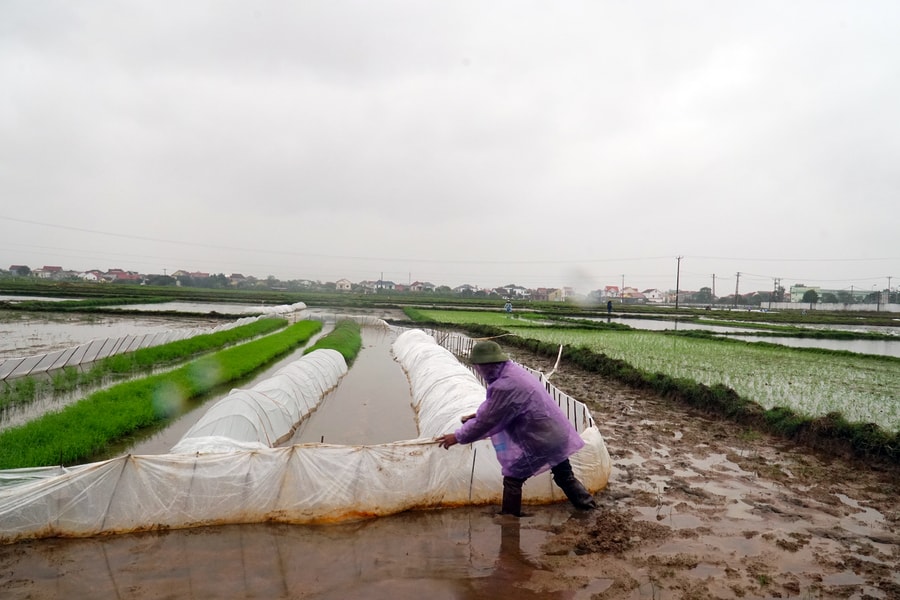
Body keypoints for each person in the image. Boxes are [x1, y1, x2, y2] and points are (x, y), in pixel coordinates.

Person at [436, 341, 597, 516]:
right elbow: (502, 408)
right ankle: (588, 507)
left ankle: (510, 520)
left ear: (488, 365)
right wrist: (477, 415)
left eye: (480, 367)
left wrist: (457, 437)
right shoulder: (513, 372)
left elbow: (488, 420)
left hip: (542, 439)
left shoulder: (505, 385)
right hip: (556, 433)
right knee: (564, 475)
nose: (479, 370)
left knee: (513, 477)